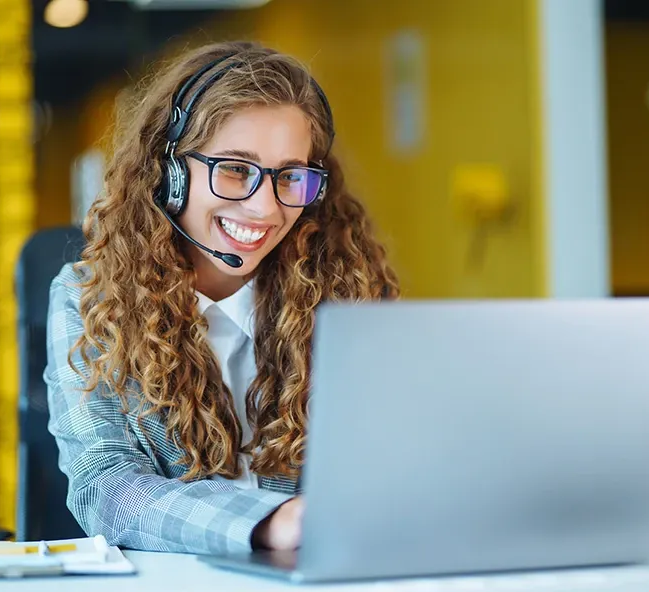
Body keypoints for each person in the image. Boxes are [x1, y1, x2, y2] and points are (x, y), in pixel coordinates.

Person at [45, 40, 398, 556]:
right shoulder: (89, 299)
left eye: (290, 177)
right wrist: (271, 524)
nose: (264, 207)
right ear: (167, 171)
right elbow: (108, 489)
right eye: (235, 169)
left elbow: (393, 464)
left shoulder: (349, 294)